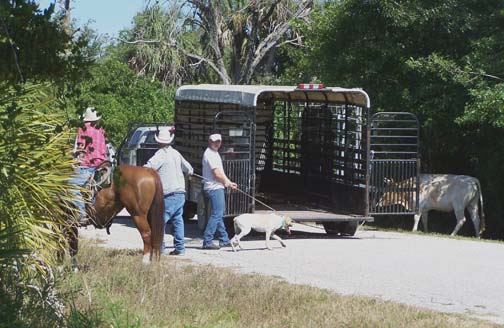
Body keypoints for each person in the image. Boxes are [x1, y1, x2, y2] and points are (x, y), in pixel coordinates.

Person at [144, 128, 193, 256]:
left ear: (159, 141)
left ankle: (160, 248)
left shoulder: (160, 154)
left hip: (168, 193)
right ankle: (180, 248)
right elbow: (189, 169)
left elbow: (148, 168)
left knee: (160, 220)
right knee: (178, 219)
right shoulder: (176, 153)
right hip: (180, 192)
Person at [70, 107, 108, 225]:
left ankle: (81, 214)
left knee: (71, 186)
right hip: (103, 163)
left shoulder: (83, 128)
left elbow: (81, 148)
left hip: (89, 163)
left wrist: (72, 154)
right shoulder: (101, 130)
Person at [201, 133, 237, 250]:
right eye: (214, 141)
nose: (216, 143)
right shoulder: (210, 154)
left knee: (219, 214)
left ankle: (224, 239)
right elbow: (216, 174)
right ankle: (207, 240)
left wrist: (228, 182)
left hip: (216, 186)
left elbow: (220, 173)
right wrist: (226, 182)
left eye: (218, 141)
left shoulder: (214, 153)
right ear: (209, 141)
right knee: (217, 214)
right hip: (214, 187)